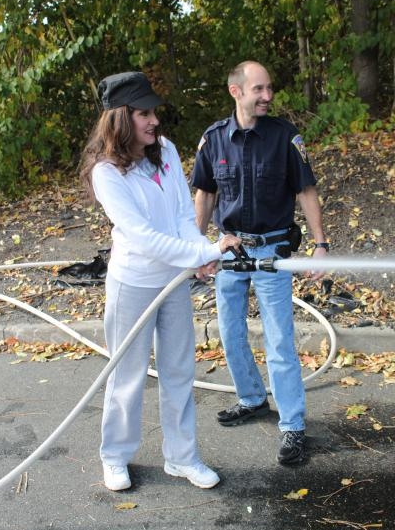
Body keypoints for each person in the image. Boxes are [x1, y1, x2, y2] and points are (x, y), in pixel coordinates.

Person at [80, 71, 242, 491]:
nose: (154, 121)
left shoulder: (165, 151)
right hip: (133, 282)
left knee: (178, 371)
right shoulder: (106, 173)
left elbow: (181, 219)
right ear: (120, 118)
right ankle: (115, 456)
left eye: (153, 112)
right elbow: (143, 237)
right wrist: (204, 253)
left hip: (172, 281)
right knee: (127, 373)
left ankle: (182, 456)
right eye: (144, 113)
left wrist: (199, 253)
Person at [191, 61, 328, 465]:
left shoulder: (285, 137)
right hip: (229, 253)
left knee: (279, 342)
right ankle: (252, 399)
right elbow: (204, 195)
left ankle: (293, 427)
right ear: (237, 92)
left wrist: (321, 244)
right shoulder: (214, 140)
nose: (267, 96)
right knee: (230, 335)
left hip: (271, 252)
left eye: (270, 89)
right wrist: (199, 249)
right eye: (259, 90)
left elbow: (305, 191)